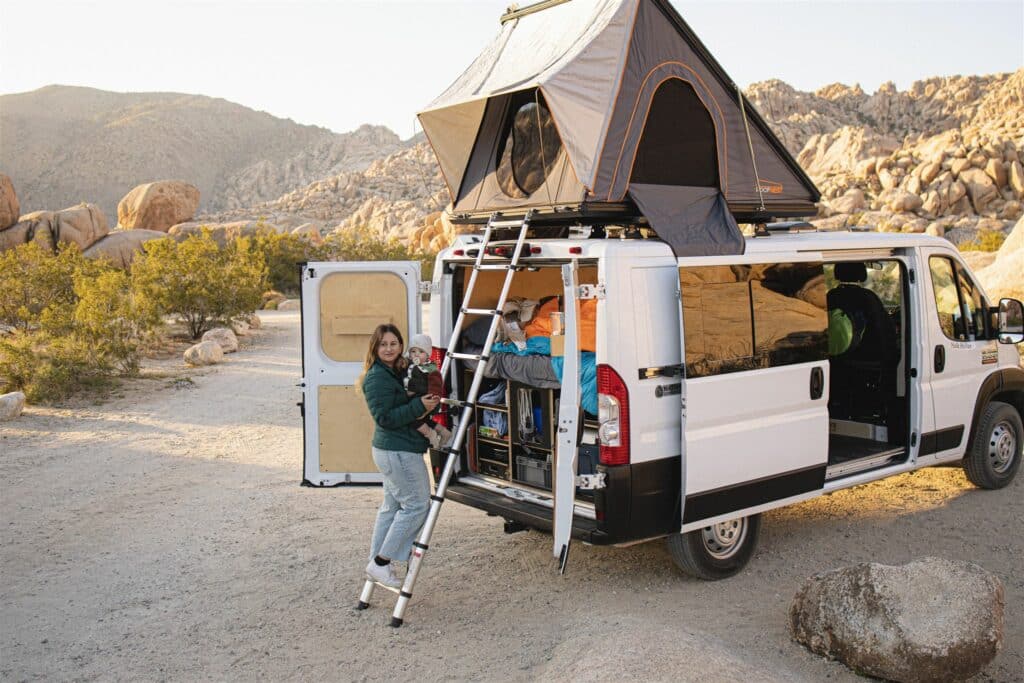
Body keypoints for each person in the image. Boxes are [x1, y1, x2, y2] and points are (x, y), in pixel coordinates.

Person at [360, 324, 440, 588]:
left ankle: (376, 563)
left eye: (394, 343)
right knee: (417, 505)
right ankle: (382, 562)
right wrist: (419, 406)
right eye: (383, 344)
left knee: (391, 509)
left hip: (393, 451)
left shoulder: (395, 371)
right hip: (398, 451)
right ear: (375, 347)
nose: (389, 348)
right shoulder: (377, 378)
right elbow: (385, 418)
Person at [404, 333, 453, 449]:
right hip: (415, 398)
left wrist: (434, 398)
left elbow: (436, 385)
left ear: (427, 355)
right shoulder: (409, 364)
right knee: (425, 420)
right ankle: (443, 432)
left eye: (421, 352)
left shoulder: (430, 368)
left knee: (412, 418)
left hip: (428, 400)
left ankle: (431, 434)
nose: (416, 355)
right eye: (413, 351)